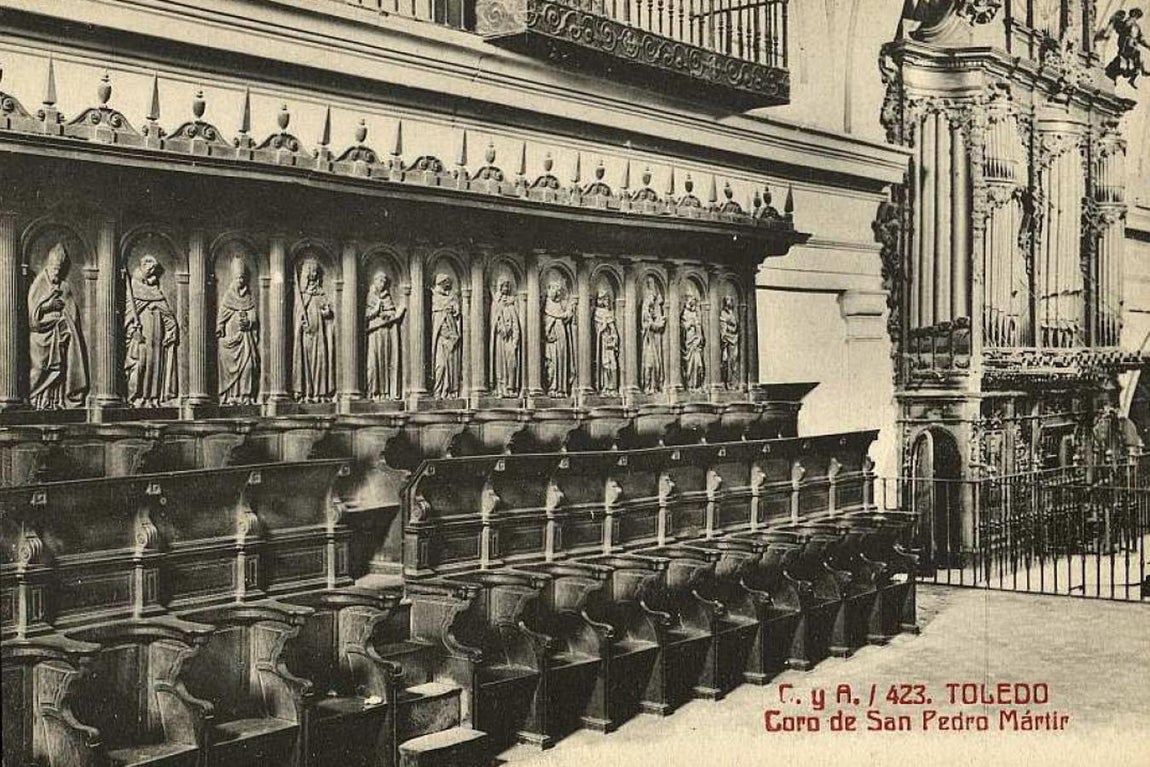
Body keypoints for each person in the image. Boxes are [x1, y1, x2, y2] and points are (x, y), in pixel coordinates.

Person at [27, 243, 88, 409]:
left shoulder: (64, 287)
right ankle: (35, 399)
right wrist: (48, 307)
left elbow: (72, 313)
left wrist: (65, 322)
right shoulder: (38, 284)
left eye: (59, 269)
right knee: (39, 368)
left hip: (60, 334)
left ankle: (54, 402)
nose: (57, 272)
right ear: (48, 265)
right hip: (41, 335)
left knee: (60, 369)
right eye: (54, 268)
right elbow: (32, 314)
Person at [125, 253, 179, 407]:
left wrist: (171, 330)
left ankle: (153, 398)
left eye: (153, 270)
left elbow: (168, 314)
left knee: (155, 364)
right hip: (140, 336)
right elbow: (128, 315)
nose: (151, 273)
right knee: (140, 364)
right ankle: (137, 397)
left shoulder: (155, 291)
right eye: (149, 270)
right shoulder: (134, 289)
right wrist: (131, 331)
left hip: (156, 335)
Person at [217, 257, 260, 405]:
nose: (240, 281)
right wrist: (220, 328)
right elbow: (222, 316)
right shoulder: (228, 297)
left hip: (245, 338)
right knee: (230, 369)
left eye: (242, 278)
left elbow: (253, 315)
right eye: (237, 278)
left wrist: (249, 321)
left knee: (248, 366)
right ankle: (232, 396)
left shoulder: (248, 297)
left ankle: (245, 395)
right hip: (231, 340)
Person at [291, 259, 336, 402]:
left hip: (320, 335)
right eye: (311, 272)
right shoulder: (302, 296)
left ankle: (320, 393)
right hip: (306, 334)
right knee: (305, 364)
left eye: (316, 272)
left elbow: (327, 312)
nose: (314, 275)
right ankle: (307, 393)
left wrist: (326, 312)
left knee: (320, 362)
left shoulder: (320, 293)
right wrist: (301, 322)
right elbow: (298, 314)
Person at [365, 271, 405, 401]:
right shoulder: (370, 296)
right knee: (374, 362)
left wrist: (390, 315)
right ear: (375, 281)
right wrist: (376, 310)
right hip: (374, 331)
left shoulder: (386, 297)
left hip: (386, 331)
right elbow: (366, 315)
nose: (382, 284)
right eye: (380, 281)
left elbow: (392, 311)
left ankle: (385, 392)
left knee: (385, 361)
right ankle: (373, 391)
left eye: (384, 281)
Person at [489, 277, 521, 398]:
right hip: (500, 339)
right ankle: (500, 388)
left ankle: (510, 387)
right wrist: (499, 326)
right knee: (500, 363)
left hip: (510, 339)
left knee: (511, 363)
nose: (506, 289)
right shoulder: (496, 304)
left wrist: (515, 340)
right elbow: (493, 321)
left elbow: (516, 324)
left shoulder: (511, 305)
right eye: (504, 286)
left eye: (508, 286)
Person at [431, 272, 462, 398]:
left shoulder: (452, 297)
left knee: (452, 365)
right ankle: (438, 391)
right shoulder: (435, 297)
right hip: (441, 338)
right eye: (446, 282)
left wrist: (455, 309)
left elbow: (457, 315)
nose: (448, 284)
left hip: (452, 337)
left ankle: (449, 391)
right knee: (441, 366)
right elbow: (437, 320)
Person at [543, 279, 575, 397]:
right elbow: (546, 321)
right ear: (549, 290)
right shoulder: (547, 305)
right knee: (552, 363)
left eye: (558, 290)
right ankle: (552, 387)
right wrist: (548, 330)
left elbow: (564, 319)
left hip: (561, 337)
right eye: (554, 289)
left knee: (562, 360)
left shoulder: (559, 305)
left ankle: (562, 389)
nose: (556, 293)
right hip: (552, 339)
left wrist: (569, 313)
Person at [640, 277, 666, 393]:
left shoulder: (651, 314)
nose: (652, 309)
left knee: (656, 364)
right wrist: (661, 322)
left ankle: (654, 386)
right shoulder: (646, 316)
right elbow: (652, 326)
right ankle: (647, 386)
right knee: (649, 364)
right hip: (648, 342)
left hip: (653, 341)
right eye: (651, 306)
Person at [593, 289, 619, 394]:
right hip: (602, 343)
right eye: (605, 298)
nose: (607, 300)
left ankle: (612, 387)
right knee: (605, 364)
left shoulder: (609, 313)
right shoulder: (597, 312)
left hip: (609, 343)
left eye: (608, 298)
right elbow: (596, 331)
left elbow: (613, 329)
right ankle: (605, 387)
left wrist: (614, 337)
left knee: (613, 365)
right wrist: (602, 329)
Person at [680, 293, 705, 390]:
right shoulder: (684, 314)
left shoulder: (696, 314)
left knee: (699, 364)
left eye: (694, 302)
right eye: (691, 302)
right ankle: (690, 384)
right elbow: (683, 327)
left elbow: (699, 328)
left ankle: (697, 385)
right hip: (689, 342)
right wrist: (691, 323)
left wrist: (699, 337)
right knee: (690, 364)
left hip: (696, 342)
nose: (693, 304)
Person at [719, 295, 740, 388]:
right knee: (726, 360)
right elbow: (723, 327)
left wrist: (735, 329)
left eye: (730, 299)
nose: (729, 301)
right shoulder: (723, 313)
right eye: (727, 299)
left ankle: (734, 381)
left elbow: (736, 325)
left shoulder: (732, 313)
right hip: (727, 339)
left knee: (734, 359)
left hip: (734, 339)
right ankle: (727, 382)